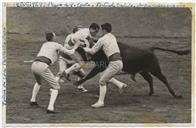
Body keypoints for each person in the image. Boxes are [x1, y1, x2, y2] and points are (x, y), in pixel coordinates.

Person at [30, 32, 76, 113]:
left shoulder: (44, 44)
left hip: (34, 65)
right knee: (56, 87)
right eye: (55, 35)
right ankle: (50, 108)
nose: (56, 36)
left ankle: (33, 100)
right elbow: (70, 52)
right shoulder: (56, 44)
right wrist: (77, 46)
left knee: (38, 82)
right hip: (42, 66)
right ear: (53, 37)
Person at [84, 23, 127, 108]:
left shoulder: (102, 39)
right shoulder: (112, 36)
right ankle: (120, 85)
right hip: (119, 62)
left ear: (104, 30)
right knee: (103, 75)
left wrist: (85, 49)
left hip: (114, 64)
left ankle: (100, 102)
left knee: (102, 81)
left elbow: (92, 51)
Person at [57, 26, 88, 92]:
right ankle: (52, 89)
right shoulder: (73, 37)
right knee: (61, 74)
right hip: (64, 59)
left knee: (82, 74)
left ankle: (80, 86)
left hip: (70, 59)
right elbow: (81, 45)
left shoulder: (71, 36)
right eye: (80, 32)